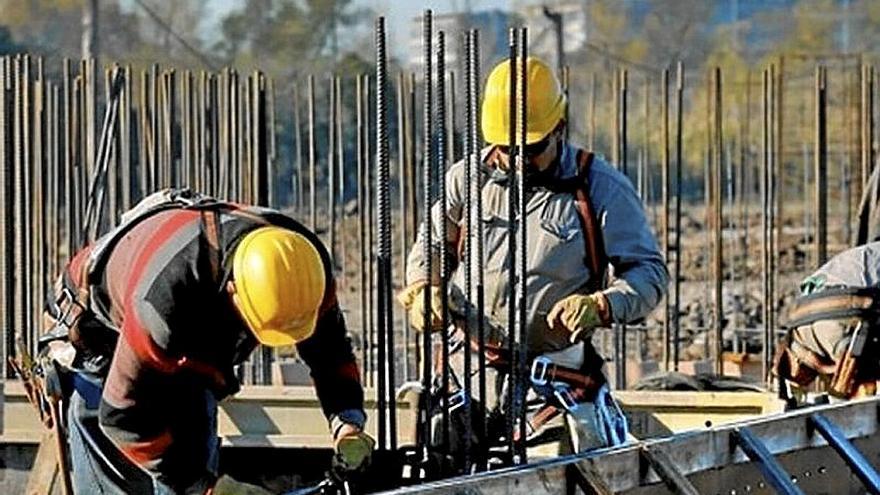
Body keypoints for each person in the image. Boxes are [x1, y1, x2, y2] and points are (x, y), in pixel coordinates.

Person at [397, 58, 668, 460]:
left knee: (549, 480)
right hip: (466, 374)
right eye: (508, 148)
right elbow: (433, 244)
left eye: (533, 148)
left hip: (552, 382)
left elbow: (649, 273)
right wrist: (423, 287)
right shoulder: (466, 179)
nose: (518, 159)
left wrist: (603, 304)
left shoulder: (600, 188)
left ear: (560, 127)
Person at [41, 189, 373, 494]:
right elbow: (120, 414)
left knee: (191, 446)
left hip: (185, 344)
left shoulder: (303, 266)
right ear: (234, 291)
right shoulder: (163, 299)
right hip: (102, 343)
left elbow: (330, 353)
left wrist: (347, 424)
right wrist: (206, 487)